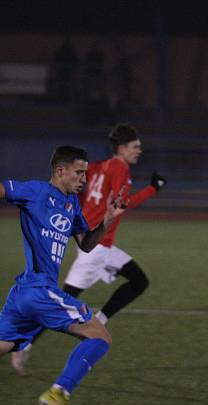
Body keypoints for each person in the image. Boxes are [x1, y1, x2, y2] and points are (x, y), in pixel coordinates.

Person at [8, 124, 166, 374]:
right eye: (135, 147)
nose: (139, 151)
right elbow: (123, 203)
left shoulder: (98, 167)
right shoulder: (121, 169)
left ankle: (99, 319)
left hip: (98, 242)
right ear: (122, 148)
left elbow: (79, 189)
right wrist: (153, 189)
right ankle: (23, 346)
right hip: (97, 247)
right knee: (60, 299)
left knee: (139, 280)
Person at [0, 146, 125, 405]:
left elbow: (86, 244)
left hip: (24, 296)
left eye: (86, 173)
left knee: (4, 343)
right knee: (100, 336)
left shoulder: (71, 205)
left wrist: (107, 220)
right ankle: (59, 392)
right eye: (79, 172)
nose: (84, 178)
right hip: (39, 291)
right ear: (60, 171)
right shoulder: (34, 191)